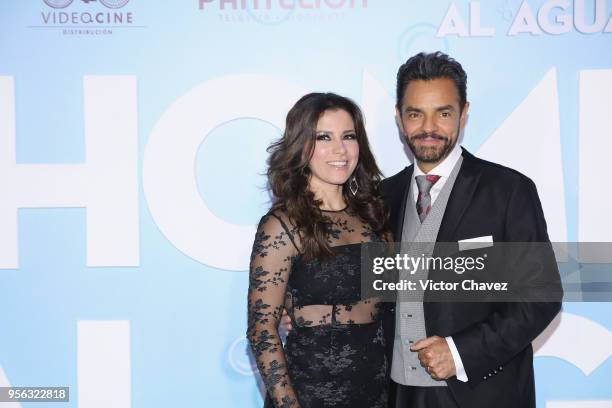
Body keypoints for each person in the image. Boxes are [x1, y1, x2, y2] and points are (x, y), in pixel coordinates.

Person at [381, 51, 562, 407]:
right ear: (399, 118)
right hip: (396, 394)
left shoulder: (508, 191)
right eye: (416, 113)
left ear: (464, 113)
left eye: (443, 113)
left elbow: (541, 297)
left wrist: (459, 352)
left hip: (482, 394)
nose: (428, 127)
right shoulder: (381, 197)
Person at [247, 92, 391, 408]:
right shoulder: (282, 225)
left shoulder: (375, 216)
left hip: (377, 396)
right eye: (323, 137)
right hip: (309, 395)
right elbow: (262, 330)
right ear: (302, 146)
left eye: (348, 136)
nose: (339, 149)